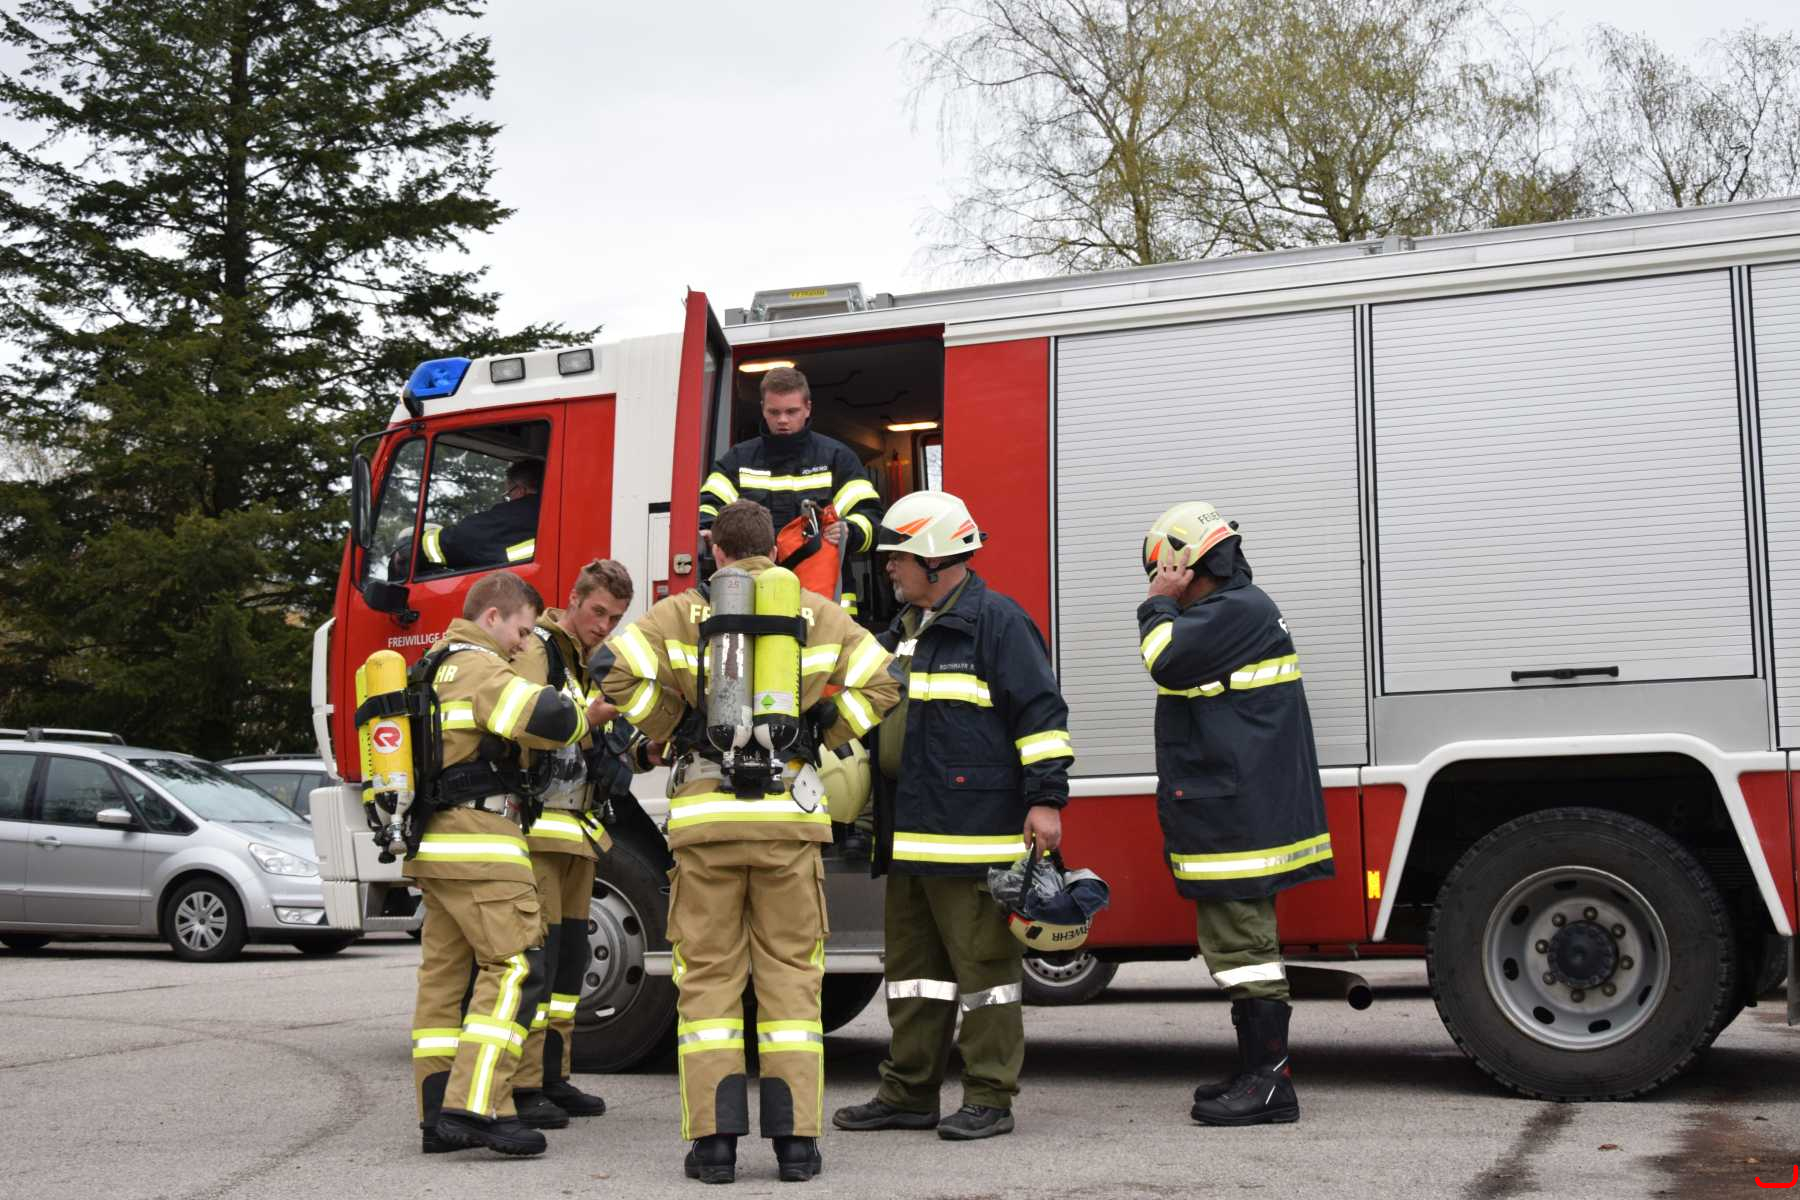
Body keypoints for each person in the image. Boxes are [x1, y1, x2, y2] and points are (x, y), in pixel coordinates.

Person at [593, 499, 900, 1184]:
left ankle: (714, 1148)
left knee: (709, 983)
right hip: (788, 820)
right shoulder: (815, 611)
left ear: (715, 549)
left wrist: (673, 725)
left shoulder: (680, 613)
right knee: (792, 981)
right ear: (776, 550)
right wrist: (821, 730)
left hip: (707, 824)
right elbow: (886, 681)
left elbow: (607, 666)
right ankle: (797, 1147)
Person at [833, 490, 1074, 1142]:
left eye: (899, 556)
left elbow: (1042, 717)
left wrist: (1046, 800)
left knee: (985, 976)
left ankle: (989, 1096)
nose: (888, 567)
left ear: (936, 561)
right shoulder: (905, 629)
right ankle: (909, 1093)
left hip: (972, 840)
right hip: (910, 838)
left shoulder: (998, 623)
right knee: (914, 978)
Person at [1136, 501, 1333, 1126]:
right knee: (1237, 944)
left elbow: (1163, 658)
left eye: (1161, 571)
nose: (1158, 582)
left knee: (1245, 946)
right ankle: (1256, 1072)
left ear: (1183, 564)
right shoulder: (1235, 610)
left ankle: (1270, 1084)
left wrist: (1157, 603)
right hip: (1234, 809)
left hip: (1239, 816)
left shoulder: (1233, 611)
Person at [407, 569, 589, 1158]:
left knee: (444, 983)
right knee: (515, 967)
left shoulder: (430, 667)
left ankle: (436, 1115)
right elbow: (550, 721)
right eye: (522, 630)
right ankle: (477, 1107)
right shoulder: (480, 667)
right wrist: (585, 711)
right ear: (492, 617)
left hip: (437, 846)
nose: (523, 643)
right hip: (481, 842)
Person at [508, 558, 638, 1129]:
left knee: (569, 965)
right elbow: (526, 723)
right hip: (539, 831)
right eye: (597, 612)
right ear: (574, 599)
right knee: (537, 960)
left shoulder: (588, 663)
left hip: (579, 832)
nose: (603, 626)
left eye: (614, 618)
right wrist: (591, 716)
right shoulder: (539, 650)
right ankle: (522, 1085)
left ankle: (553, 1076)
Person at [699, 367, 883, 614]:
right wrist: (708, 529)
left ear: (808, 408)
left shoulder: (837, 458)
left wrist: (850, 531)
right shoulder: (737, 460)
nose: (782, 420)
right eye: (774, 412)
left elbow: (872, 518)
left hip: (824, 607)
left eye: (791, 411)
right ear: (763, 409)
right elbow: (708, 506)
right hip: (751, 601)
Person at [420, 457, 544, 572]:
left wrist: (416, 542)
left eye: (508, 493)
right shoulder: (548, 517)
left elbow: (457, 541)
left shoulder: (514, 516)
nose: (509, 499)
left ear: (521, 490)